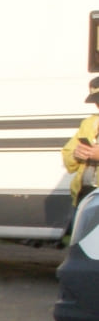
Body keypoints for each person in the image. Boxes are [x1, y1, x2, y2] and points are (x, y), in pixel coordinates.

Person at [63, 77, 99, 225]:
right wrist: (76, 155)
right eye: (96, 101)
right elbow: (67, 153)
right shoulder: (89, 123)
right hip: (85, 195)